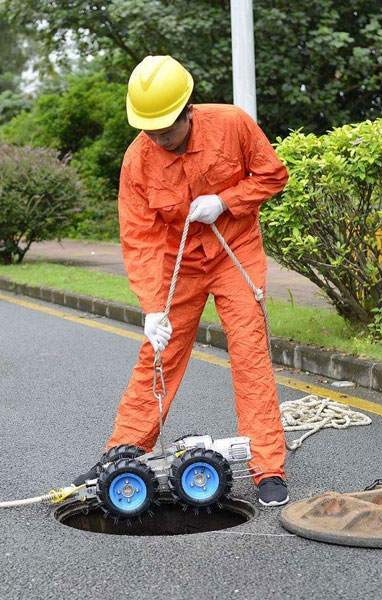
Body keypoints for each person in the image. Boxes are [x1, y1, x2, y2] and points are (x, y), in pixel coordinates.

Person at [75, 56, 291, 506]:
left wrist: (227, 200)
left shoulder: (232, 124)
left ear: (188, 109)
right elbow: (140, 238)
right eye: (150, 131)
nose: (159, 139)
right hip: (179, 263)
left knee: (250, 354)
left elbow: (274, 175)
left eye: (166, 130)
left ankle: (267, 466)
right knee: (158, 354)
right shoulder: (138, 160)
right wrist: (153, 307)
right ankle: (125, 450)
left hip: (235, 252)